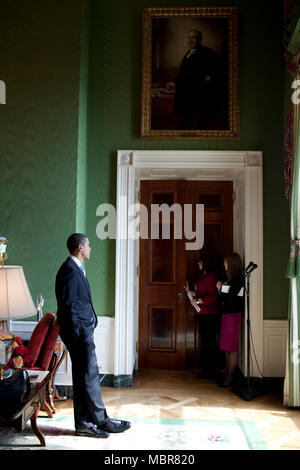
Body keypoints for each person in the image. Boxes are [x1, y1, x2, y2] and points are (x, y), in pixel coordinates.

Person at [55, 233, 131, 438]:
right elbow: (70, 306)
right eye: (88, 246)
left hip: (81, 332)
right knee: (89, 377)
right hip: (79, 334)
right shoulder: (70, 271)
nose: (90, 249)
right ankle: (102, 421)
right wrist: (83, 332)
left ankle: (84, 424)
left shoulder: (74, 268)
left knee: (83, 378)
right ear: (80, 247)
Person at [166, 29, 221, 130]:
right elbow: (183, 73)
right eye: (189, 37)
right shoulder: (188, 53)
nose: (190, 40)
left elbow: (218, 68)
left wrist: (210, 77)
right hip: (185, 94)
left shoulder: (207, 52)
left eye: (193, 37)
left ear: (199, 39)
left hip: (199, 94)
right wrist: (174, 82)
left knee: (201, 122)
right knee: (185, 121)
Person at [184, 253, 220, 379]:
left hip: (210, 315)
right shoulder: (203, 277)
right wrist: (190, 292)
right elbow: (200, 294)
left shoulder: (211, 277)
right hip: (203, 314)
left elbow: (213, 297)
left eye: (200, 262)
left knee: (209, 343)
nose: (198, 264)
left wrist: (198, 301)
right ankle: (206, 370)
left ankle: (211, 371)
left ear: (205, 263)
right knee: (205, 342)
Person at [216, 253, 245, 388]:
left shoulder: (238, 279)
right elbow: (223, 299)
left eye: (226, 262)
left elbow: (232, 298)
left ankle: (230, 377)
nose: (224, 264)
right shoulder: (231, 279)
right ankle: (227, 373)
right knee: (227, 347)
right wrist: (220, 289)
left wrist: (221, 287)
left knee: (231, 348)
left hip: (233, 316)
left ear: (232, 263)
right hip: (228, 315)